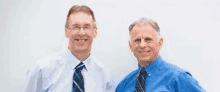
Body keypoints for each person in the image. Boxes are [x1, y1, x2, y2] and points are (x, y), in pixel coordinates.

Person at [23, 5, 113, 92]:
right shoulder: (41, 70)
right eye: (76, 27)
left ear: (95, 32)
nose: (81, 33)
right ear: (66, 31)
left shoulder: (104, 76)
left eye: (87, 27)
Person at [116, 17, 205, 92]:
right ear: (130, 46)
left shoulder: (178, 78)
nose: (142, 45)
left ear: (160, 43)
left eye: (148, 39)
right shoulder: (124, 85)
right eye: (137, 40)